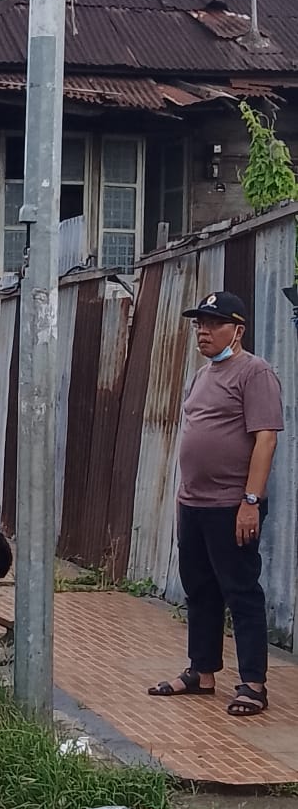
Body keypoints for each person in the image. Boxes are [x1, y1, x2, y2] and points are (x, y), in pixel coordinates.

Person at [147, 292, 283, 717]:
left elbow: (266, 438)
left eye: (213, 323)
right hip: (195, 504)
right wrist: (181, 500)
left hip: (232, 504)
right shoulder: (203, 374)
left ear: (237, 330)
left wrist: (250, 501)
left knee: (241, 591)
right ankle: (202, 673)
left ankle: (253, 684)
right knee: (200, 589)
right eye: (199, 324)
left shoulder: (255, 372)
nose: (203, 332)